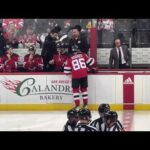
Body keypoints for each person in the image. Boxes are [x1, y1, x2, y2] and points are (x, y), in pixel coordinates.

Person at [64, 45, 95, 110]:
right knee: (84, 89)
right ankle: (85, 105)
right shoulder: (83, 55)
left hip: (75, 76)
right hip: (84, 75)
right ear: (78, 49)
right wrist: (88, 67)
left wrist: (71, 75)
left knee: (75, 91)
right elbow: (92, 62)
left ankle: (77, 106)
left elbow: (66, 71)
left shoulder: (69, 58)